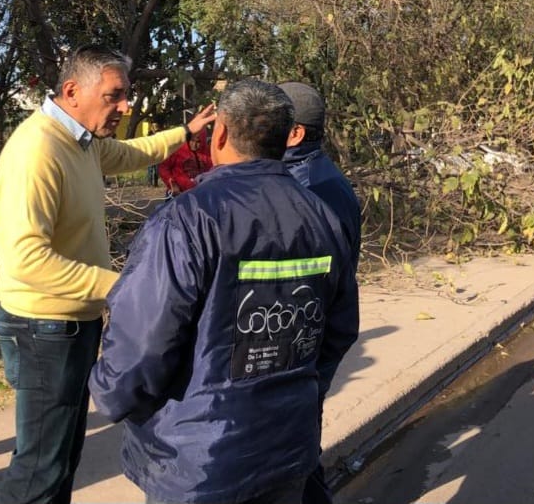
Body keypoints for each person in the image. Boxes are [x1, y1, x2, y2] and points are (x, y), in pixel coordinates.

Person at [88, 79, 359, 504]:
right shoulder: (322, 216)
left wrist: (109, 392)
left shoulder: (188, 219)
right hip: (285, 451)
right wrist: (299, 393)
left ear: (220, 135)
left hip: (199, 464)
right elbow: (338, 329)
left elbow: (142, 343)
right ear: (282, 138)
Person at [0, 44, 216, 504]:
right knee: (39, 468)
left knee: (60, 457)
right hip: (43, 330)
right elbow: (24, 258)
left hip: (70, 325)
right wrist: (124, 288)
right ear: (72, 90)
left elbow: (133, 153)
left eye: (125, 95)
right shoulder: (37, 150)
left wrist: (185, 132)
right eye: (115, 96)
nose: (125, 107)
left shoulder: (82, 142)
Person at [277, 81, 361, 504]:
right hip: (298, 347)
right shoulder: (306, 177)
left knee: (294, 461)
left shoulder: (314, 191)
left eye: (269, 122)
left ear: (294, 134)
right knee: (297, 460)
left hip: (301, 351)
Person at [157, 127, 213, 196]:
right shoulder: (177, 150)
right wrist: (171, 183)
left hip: (198, 194)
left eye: (198, 142)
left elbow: (212, 172)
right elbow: (163, 168)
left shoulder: (207, 155)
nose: (194, 145)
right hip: (178, 193)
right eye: (192, 141)